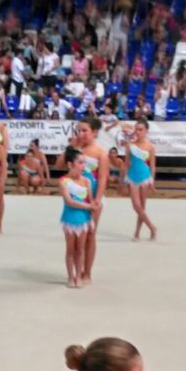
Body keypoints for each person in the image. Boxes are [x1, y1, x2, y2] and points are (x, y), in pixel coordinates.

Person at [74, 118, 109, 284]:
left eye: (84, 130)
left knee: (89, 234)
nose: (81, 134)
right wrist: (72, 148)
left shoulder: (100, 153)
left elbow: (102, 178)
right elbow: (60, 165)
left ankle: (87, 272)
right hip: (75, 196)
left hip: (93, 197)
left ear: (94, 132)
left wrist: (97, 199)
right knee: (76, 234)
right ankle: (77, 269)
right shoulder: (75, 149)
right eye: (79, 130)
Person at [58, 147, 95, 288]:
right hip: (69, 219)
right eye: (80, 163)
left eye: (84, 162)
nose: (83, 166)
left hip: (84, 220)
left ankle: (78, 276)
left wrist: (94, 206)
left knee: (80, 250)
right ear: (70, 164)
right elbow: (69, 202)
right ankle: (70, 276)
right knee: (70, 250)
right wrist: (88, 206)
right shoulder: (63, 181)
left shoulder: (87, 181)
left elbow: (90, 200)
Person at [124, 120, 157, 241]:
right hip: (132, 177)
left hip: (145, 177)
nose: (138, 132)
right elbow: (126, 163)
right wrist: (123, 181)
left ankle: (137, 232)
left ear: (146, 131)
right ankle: (152, 227)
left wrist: (152, 181)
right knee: (136, 206)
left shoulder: (150, 147)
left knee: (142, 207)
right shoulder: (130, 145)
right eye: (136, 129)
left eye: (141, 129)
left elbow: (152, 166)